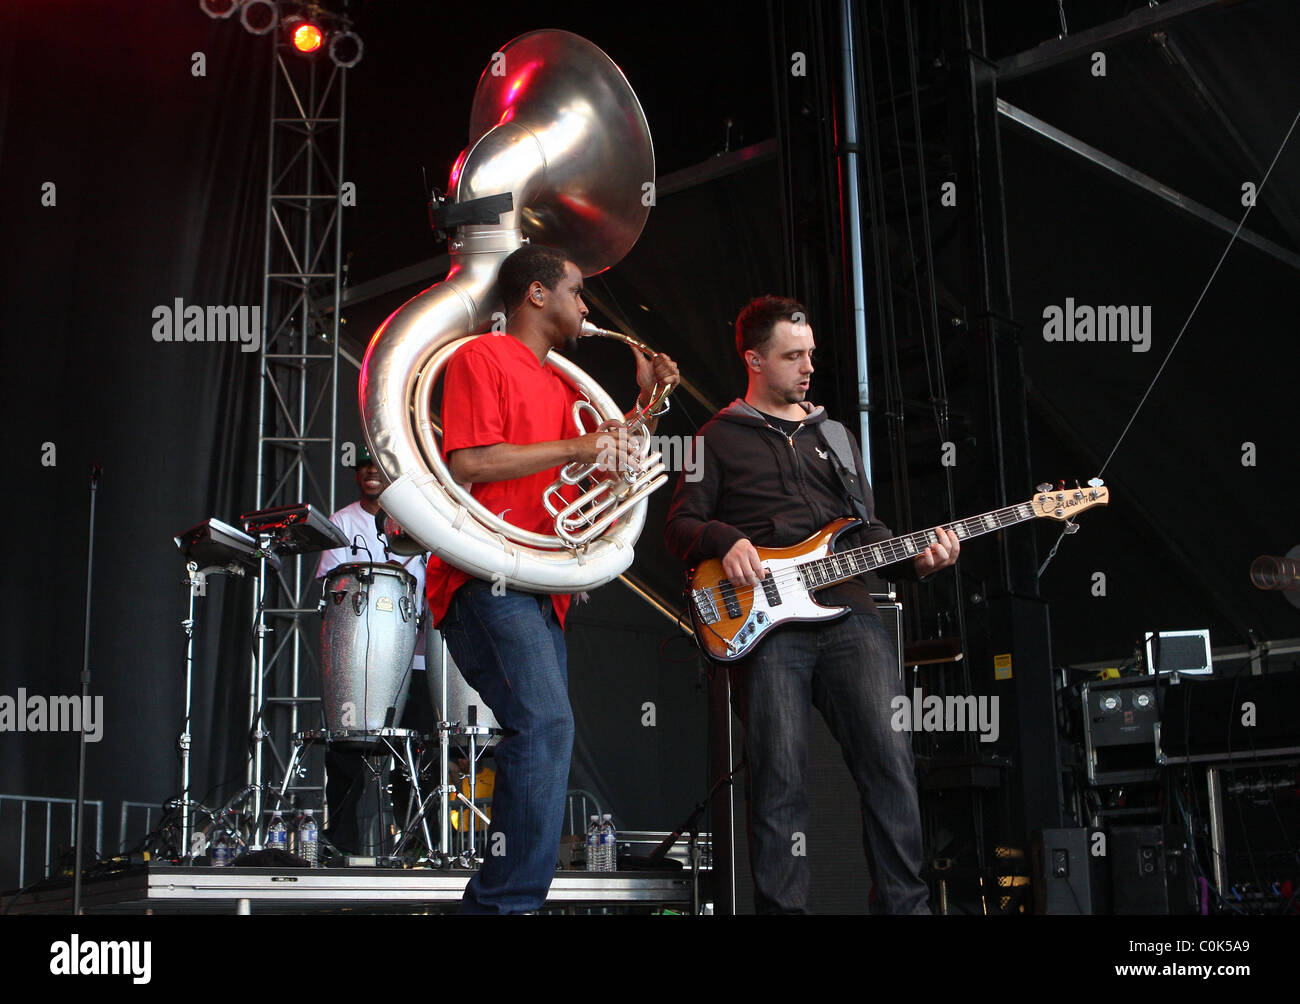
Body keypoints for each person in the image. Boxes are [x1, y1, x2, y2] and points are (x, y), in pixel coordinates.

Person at [664, 295, 958, 914]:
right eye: (792, 356)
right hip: (768, 625)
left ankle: (907, 909)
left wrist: (919, 559)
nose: (807, 367)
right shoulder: (714, 437)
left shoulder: (837, 437)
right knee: (779, 780)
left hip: (850, 613)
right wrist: (727, 538)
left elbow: (868, 533)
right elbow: (680, 525)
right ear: (754, 360)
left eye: (811, 355)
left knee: (892, 768)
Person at [427, 244, 679, 913]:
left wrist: (647, 403)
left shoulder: (568, 388)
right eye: (575, 290)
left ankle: (503, 902)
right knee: (545, 729)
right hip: (487, 578)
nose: (585, 306)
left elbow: (604, 471)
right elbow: (472, 463)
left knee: (544, 731)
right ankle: (505, 905)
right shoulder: (481, 356)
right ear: (536, 295)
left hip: (542, 591)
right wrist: (581, 446)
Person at [315, 445, 435, 854]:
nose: (370, 472)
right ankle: (343, 843)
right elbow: (330, 590)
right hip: (358, 659)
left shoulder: (420, 523)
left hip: (414, 658)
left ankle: (419, 844)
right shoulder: (342, 522)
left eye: (378, 466)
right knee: (347, 751)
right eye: (363, 465)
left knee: (416, 752)